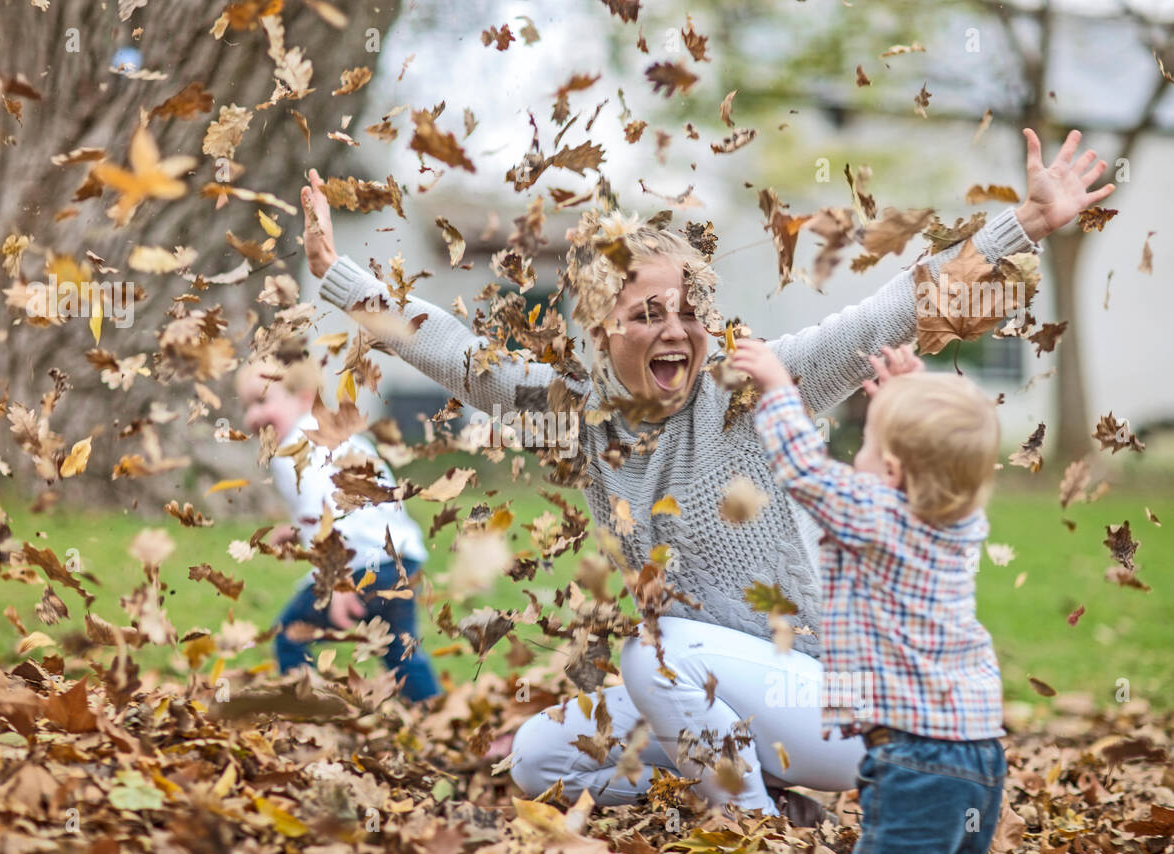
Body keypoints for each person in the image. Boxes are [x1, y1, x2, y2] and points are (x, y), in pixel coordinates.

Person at [300, 128, 1112, 815]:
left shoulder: (749, 389)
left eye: (691, 310)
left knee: (656, 652)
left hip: (826, 703)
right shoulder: (578, 418)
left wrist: (1024, 225)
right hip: (712, 698)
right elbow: (460, 357)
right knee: (539, 761)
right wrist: (341, 276)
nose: (677, 330)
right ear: (597, 326)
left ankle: (754, 824)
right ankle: (753, 789)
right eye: (648, 313)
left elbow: (889, 311)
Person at [733, 339, 1006, 854]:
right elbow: (936, 453)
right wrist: (904, 396)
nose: (851, 459)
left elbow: (806, 472)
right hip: (980, 754)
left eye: (864, 447)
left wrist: (778, 389)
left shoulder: (878, 515)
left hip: (917, 760)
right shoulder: (960, 523)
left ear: (893, 474)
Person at [236, 358, 441, 703]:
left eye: (262, 401)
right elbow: (349, 506)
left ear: (302, 398)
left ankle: (307, 711)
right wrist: (297, 530)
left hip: (361, 567)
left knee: (290, 635)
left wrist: (340, 583)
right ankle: (438, 720)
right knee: (399, 650)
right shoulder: (336, 438)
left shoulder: (293, 450)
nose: (251, 417)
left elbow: (330, 516)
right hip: (399, 558)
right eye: (245, 406)